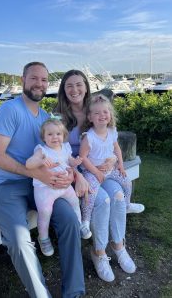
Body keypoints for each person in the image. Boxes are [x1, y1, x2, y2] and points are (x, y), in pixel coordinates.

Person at [0, 62, 85, 298]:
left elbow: (59, 155)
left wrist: (72, 175)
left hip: (41, 186)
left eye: (44, 80)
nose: (39, 84)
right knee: (18, 239)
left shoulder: (46, 118)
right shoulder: (9, 110)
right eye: (34, 78)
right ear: (22, 80)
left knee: (70, 220)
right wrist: (35, 173)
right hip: (7, 186)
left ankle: (73, 291)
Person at [56, 69, 144, 283]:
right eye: (69, 85)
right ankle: (99, 253)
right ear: (63, 90)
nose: (75, 89)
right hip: (75, 170)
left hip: (101, 169)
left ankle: (119, 246)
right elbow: (58, 152)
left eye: (79, 84)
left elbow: (110, 140)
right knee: (102, 200)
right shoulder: (59, 116)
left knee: (118, 197)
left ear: (86, 87)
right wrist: (79, 174)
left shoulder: (96, 107)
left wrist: (114, 160)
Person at [78, 94, 144, 238]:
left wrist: (120, 164)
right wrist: (96, 172)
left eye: (105, 112)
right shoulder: (89, 137)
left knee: (126, 182)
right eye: (97, 113)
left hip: (110, 169)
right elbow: (83, 158)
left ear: (110, 114)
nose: (102, 115)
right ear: (90, 117)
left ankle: (127, 205)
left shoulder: (112, 131)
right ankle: (85, 221)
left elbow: (117, 148)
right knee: (91, 192)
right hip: (91, 171)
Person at [26, 116, 83, 256]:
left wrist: (74, 162)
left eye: (58, 134)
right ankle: (43, 238)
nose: (54, 137)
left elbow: (69, 161)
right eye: (50, 134)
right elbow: (29, 164)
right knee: (45, 211)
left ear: (63, 135)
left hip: (64, 185)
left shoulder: (65, 147)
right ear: (44, 137)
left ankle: (80, 225)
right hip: (45, 188)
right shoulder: (42, 151)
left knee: (75, 202)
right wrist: (40, 162)